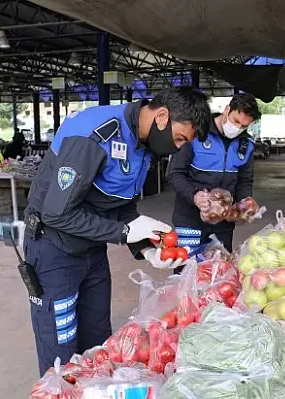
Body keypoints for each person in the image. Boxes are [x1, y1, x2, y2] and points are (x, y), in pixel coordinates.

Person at [22, 87, 211, 375]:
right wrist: (125, 233)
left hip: (92, 248)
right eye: (179, 139)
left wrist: (145, 247)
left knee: (98, 341)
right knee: (60, 349)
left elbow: (122, 206)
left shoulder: (142, 145)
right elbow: (57, 214)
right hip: (54, 250)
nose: (178, 148)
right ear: (162, 116)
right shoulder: (93, 134)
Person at [167, 93, 261, 269]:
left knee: (220, 274)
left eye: (244, 125)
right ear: (227, 110)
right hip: (189, 219)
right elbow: (174, 173)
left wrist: (245, 203)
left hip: (223, 223)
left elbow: (245, 181)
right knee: (186, 271)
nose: (238, 128)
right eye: (235, 121)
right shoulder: (196, 132)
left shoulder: (246, 144)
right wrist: (194, 196)